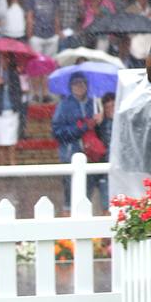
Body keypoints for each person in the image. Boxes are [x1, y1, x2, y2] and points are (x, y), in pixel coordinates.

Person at [51, 75, 99, 212]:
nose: (79, 87)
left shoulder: (93, 104)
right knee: (70, 192)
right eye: (76, 84)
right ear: (70, 86)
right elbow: (57, 132)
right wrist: (82, 128)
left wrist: (99, 121)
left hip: (91, 154)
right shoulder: (64, 105)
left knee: (88, 191)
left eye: (82, 83)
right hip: (69, 154)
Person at [24, 0, 61, 101]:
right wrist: (30, 35)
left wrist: (57, 32)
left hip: (51, 35)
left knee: (48, 66)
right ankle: (35, 93)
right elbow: (29, 16)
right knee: (35, 66)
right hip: (37, 35)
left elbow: (56, 15)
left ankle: (45, 93)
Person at [0, 53, 24, 166]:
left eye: (6, 58)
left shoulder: (14, 74)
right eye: (1, 58)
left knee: (12, 143)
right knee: (0, 143)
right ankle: (1, 167)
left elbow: (18, 92)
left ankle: (13, 166)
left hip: (12, 112)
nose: (4, 60)